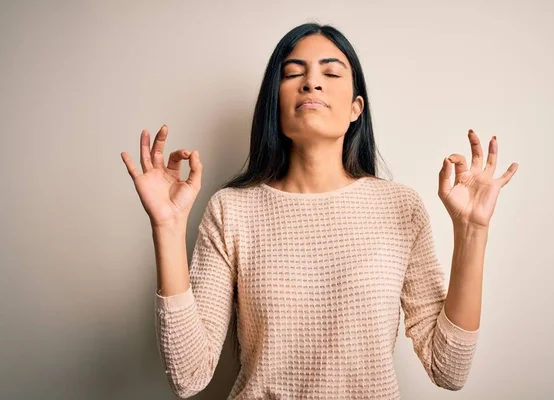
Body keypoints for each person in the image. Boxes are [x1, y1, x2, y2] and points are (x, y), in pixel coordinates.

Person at [121, 22, 518, 400]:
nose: (311, 82)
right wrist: (168, 226)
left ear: (355, 108)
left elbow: (448, 368)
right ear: (275, 104)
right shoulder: (231, 209)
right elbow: (189, 376)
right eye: (293, 73)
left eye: (331, 73)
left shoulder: (401, 208)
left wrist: (473, 231)